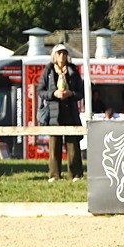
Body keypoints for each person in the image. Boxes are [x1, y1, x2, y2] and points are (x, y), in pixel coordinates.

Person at [37, 44, 85, 182]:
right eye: (59, 53)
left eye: (64, 53)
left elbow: (80, 92)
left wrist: (70, 93)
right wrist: (53, 94)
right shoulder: (48, 71)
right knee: (54, 145)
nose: (62, 56)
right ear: (54, 56)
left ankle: (75, 174)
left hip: (70, 111)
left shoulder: (73, 71)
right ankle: (54, 175)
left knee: (73, 144)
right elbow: (40, 91)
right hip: (54, 112)